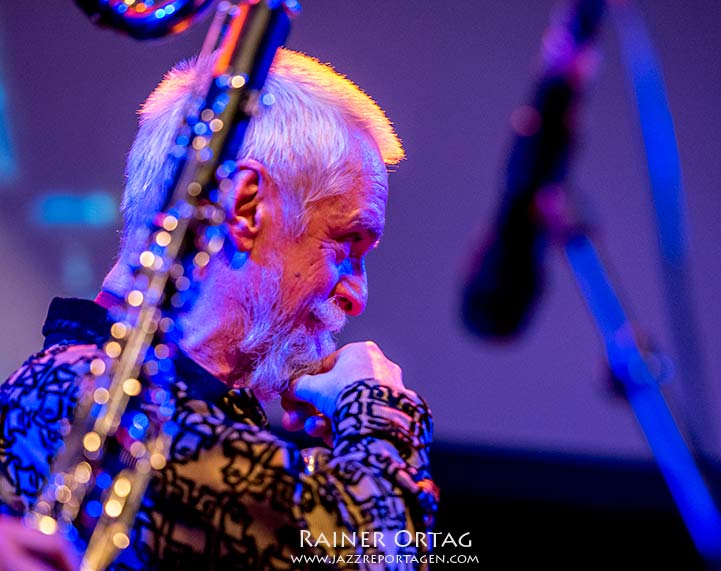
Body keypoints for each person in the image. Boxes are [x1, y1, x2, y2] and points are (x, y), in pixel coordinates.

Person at [0, 48, 438, 570]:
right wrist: (377, 409)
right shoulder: (79, 396)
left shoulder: (186, 414)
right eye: (346, 247)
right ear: (245, 205)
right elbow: (377, 554)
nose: (356, 294)